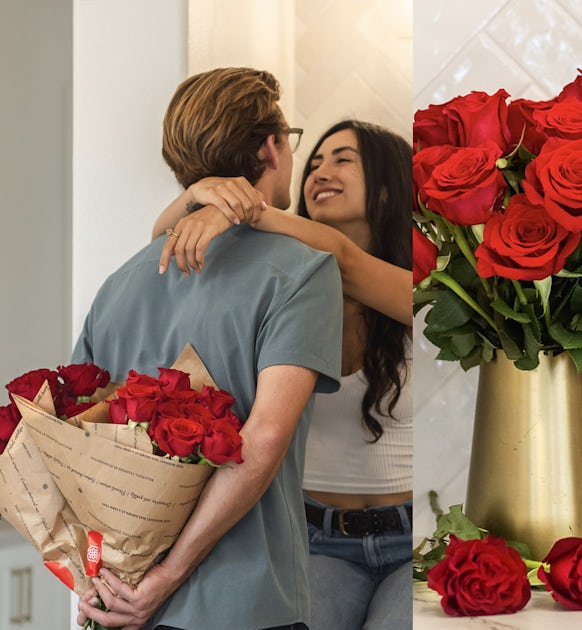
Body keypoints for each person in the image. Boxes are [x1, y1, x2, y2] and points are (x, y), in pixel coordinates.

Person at [74, 67, 342, 630]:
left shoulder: (121, 282)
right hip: (245, 606)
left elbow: (74, 442)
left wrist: (96, 576)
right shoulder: (301, 272)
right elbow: (264, 437)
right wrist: (168, 578)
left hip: (122, 605)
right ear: (271, 146)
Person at [150, 120, 414, 629]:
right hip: (314, 537)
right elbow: (158, 242)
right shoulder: (284, 276)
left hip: (412, 542)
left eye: (342, 159)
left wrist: (239, 206)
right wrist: (200, 197)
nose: (321, 170)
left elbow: (345, 259)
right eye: (314, 160)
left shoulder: (419, 286)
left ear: (386, 185)